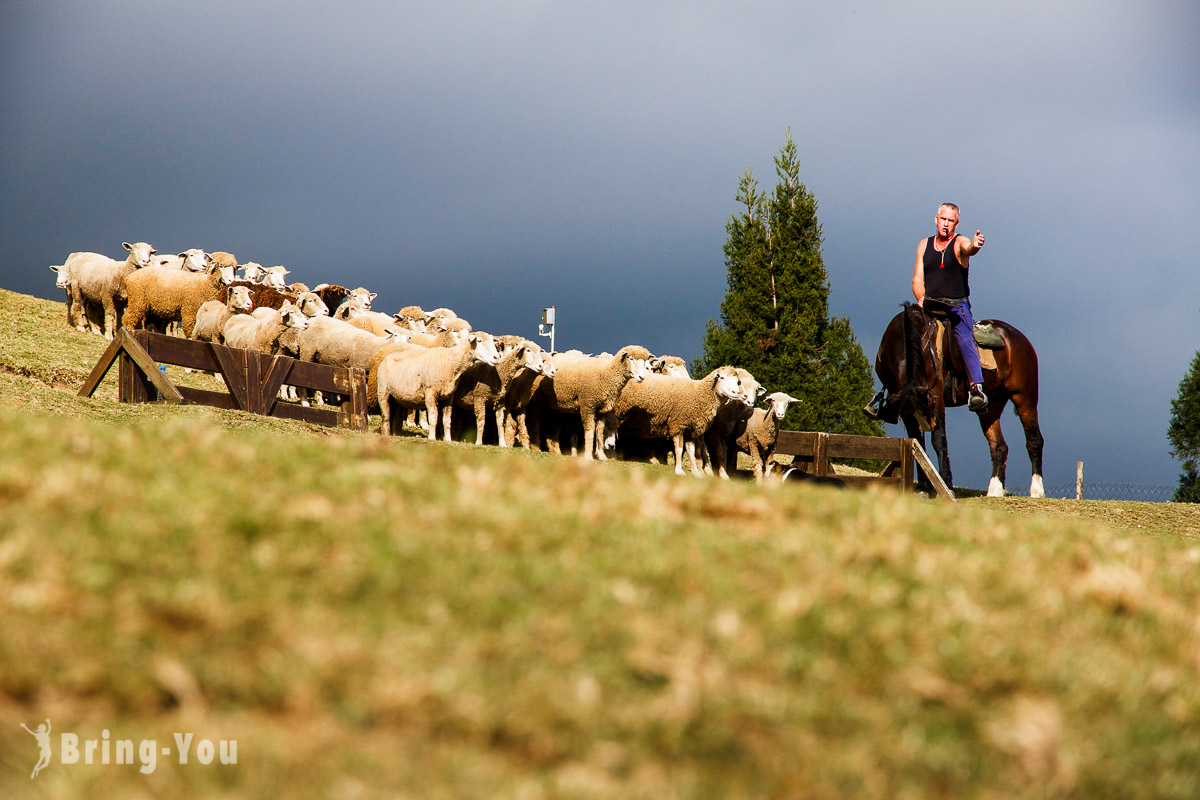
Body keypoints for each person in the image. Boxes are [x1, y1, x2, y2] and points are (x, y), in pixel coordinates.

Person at [913, 202, 989, 413]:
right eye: (943, 219)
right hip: (930, 305)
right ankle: (889, 391)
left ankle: (976, 389)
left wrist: (975, 245)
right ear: (936, 219)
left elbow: (968, 248)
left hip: (956, 307)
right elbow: (917, 279)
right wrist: (920, 297)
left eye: (950, 221)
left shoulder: (959, 242)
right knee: (906, 330)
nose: (946, 224)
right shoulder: (923, 245)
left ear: (956, 223)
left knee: (964, 337)